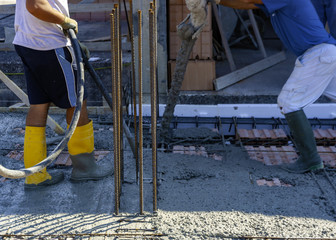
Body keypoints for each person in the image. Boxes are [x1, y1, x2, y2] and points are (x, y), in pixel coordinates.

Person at [218, 0, 336, 173]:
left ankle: (310, 160)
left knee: (288, 102)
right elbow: (247, 5)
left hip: (318, 54)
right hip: (325, 53)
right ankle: (310, 159)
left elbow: (246, 0)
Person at [13, 0, 112, 189]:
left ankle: (35, 175)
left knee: (39, 104)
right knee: (77, 102)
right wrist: (65, 20)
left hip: (28, 42)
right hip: (48, 44)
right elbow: (36, 6)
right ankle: (85, 168)